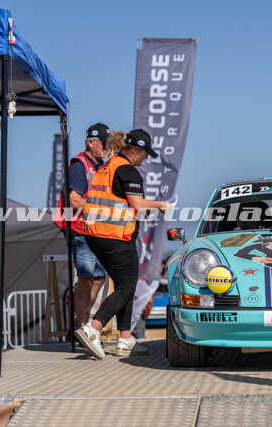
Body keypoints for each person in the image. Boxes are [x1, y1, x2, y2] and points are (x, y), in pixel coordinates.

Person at [74, 129, 174, 359]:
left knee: (123, 285)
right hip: (115, 235)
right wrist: (161, 205)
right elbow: (137, 204)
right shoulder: (127, 170)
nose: (145, 160)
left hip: (95, 234)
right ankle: (93, 328)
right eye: (144, 154)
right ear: (135, 150)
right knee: (127, 286)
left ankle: (125, 339)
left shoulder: (107, 166)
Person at [54, 123, 110, 328]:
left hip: (96, 230)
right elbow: (74, 201)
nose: (107, 148)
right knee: (87, 277)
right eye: (104, 143)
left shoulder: (102, 167)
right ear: (91, 143)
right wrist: (101, 208)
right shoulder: (80, 165)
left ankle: (83, 320)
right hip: (80, 230)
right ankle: (82, 325)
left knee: (99, 277)